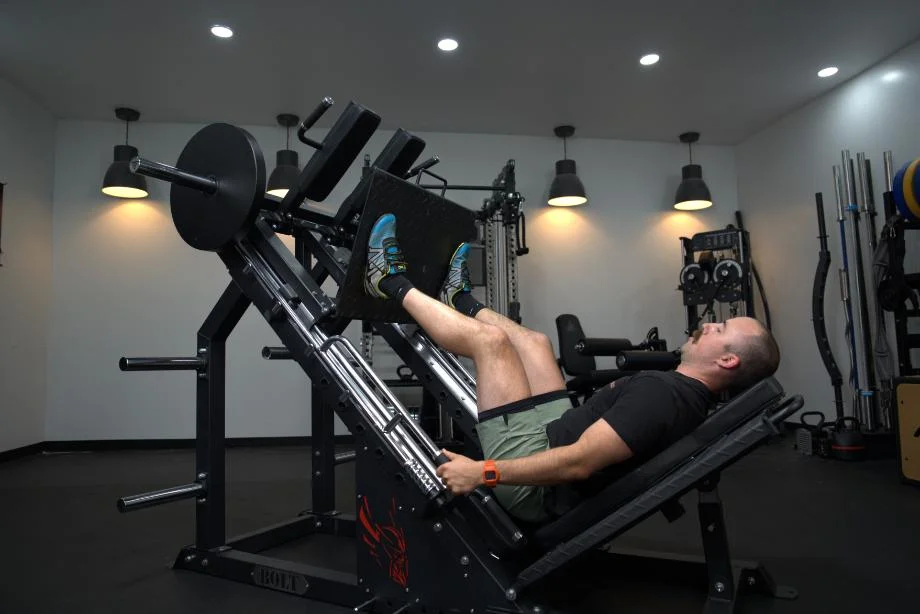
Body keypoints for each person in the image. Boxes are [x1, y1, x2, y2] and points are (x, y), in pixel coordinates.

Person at [365, 214, 781, 523]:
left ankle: (387, 281)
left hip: (532, 484)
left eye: (720, 328)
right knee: (537, 343)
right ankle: (461, 301)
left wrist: (481, 472)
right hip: (556, 431)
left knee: (489, 343)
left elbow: (578, 464)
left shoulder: (663, 398)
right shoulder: (685, 394)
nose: (709, 324)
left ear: (727, 360)